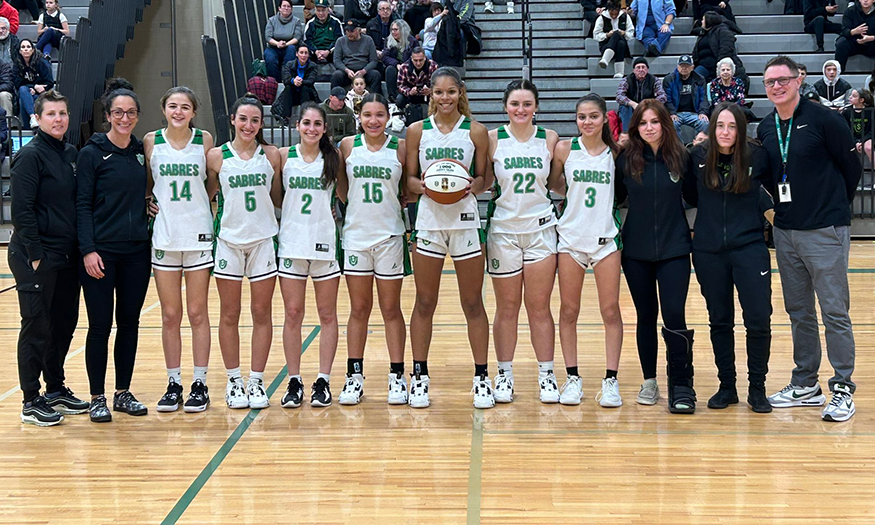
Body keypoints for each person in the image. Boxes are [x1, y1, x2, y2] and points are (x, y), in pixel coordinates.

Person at [756, 56, 861, 422]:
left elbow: (852, 169)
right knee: (799, 311)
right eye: (770, 82)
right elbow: (770, 176)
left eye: (783, 80)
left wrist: (831, 209)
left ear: (799, 80)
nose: (776, 87)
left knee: (834, 311)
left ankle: (843, 387)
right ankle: (806, 383)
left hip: (825, 230)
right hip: (786, 232)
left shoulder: (825, 120)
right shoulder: (768, 126)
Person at [405, 67, 494, 409]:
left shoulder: (476, 131)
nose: (445, 98)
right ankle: (420, 376)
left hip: (465, 221)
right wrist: (425, 187)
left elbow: (484, 178)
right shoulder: (417, 131)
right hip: (429, 221)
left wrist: (475, 185)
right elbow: (410, 182)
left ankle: (482, 377)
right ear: (430, 94)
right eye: (438, 92)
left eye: (451, 92)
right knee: (425, 302)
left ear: (461, 93)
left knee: (473, 303)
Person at [687, 102, 774, 413]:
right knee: (719, 320)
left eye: (732, 126)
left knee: (759, 320)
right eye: (720, 126)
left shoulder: (757, 156)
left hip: (749, 246)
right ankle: (727, 386)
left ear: (741, 128)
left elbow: (771, 190)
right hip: (709, 250)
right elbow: (690, 195)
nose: (725, 132)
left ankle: (758, 388)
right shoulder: (697, 156)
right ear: (712, 128)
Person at [615, 99, 696, 413]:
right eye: (643, 123)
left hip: (675, 248)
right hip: (636, 251)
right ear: (636, 128)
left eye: (654, 122)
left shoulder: (681, 158)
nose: (649, 128)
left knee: (675, 315)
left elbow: (693, 196)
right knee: (645, 316)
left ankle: (682, 384)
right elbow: (617, 199)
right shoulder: (626, 161)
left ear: (665, 123)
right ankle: (649, 381)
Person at [10, 90, 85, 426]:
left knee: (63, 324)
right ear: (37, 119)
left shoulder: (70, 153)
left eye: (63, 113)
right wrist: (37, 256)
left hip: (67, 253)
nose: (58, 119)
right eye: (51, 114)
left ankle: (55, 388)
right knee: (37, 326)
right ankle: (30, 399)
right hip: (35, 254)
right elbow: (21, 211)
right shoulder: (30, 156)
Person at [76, 86, 151, 423]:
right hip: (101, 254)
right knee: (100, 326)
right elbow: (82, 206)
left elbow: (148, 191)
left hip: (137, 253)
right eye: (118, 112)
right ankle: (97, 397)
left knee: (129, 324)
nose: (125, 118)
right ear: (107, 116)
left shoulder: (139, 151)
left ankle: (122, 392)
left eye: (131, 112)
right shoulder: (92, 153)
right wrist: (88, 250)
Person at [483, 80, 560, 405]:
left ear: (536, 108)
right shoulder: (491, 139)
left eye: (527, 104)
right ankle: (504, 374)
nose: (521, 109)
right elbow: (483, 183)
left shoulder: (550, 139)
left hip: (541, 230)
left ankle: (546, 375)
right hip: (503, 232)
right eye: (515, 103)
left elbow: (558, 184)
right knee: (507, 308)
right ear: (505, 107)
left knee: (539, 308)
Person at [548, 93, 624, 407]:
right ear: (576, 119)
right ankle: (572, 378)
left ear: (604, 118)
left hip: (606, 239)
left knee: (610, 311)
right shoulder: (565, 149)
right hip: (571, 239)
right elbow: (553, 184)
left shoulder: (617, 153)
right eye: (582, 117)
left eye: (593, 116)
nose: (587, 122)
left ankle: (611, 380)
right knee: (568, 311)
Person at [208, 94, 283, 410]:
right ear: (233, 120)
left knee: (261, 313)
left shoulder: (272, 155)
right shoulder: (215, 156)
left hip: (264, 239)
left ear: (261, 123)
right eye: (243, 119)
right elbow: (207, 195)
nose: (248, 125)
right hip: (228, 240)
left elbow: (278, 198)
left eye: (254, 120)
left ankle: (256, 381)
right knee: (229, 313)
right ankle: (234, 381)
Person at [144, 87, 216, 413]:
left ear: (193, 112)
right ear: (163, 108)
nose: (178, 111)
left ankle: (200, 382)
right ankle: (173, 382)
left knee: (198, 313)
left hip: (198, 234)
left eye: (185, 107)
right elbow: (148, 183)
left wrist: (206, 205)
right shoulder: (150, 141)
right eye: (172, 105)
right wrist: (147, 199)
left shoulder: (205, 140)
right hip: (166, 237)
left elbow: (211, 182)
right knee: (170, 315)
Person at [336, 94, 410, 405]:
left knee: (391, 309)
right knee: (359, 309)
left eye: (380, 115)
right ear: (359, 116)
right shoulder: (347, 146)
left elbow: (406, 189)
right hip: (356, 236)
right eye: (368, 114)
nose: (374, 121)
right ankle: (355, 376)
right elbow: (342, 188)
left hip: (390, 236)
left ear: (388, 118)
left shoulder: (400, 147)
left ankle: (397, 375)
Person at [277, 103, 343, 408]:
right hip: (291, 243)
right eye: (307, 123)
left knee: (327, 315)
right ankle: (294, 380)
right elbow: (277, 195)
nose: (312, 128)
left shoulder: (334, 158)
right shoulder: (283, 157)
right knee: (293, 314)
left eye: (318, 124)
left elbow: (344, 195)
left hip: (324, 243)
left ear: (325, 128)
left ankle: (323, 380)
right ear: (297, 125)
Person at [692, 12, 746, 86]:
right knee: (692, 79)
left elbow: (726, 49)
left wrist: (720, 66)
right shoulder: (703, 33)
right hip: (703, 65)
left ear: (709, 20)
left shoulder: (723, 31)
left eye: (703, 19)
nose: (701, 21)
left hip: (717, 65)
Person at [663, 54, 709, 138]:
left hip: (694, 113)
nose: (684, 68)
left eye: (687, 66)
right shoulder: (669, 79)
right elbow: (667, 99)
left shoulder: (700, 79)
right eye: (682, 65)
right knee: (672, 123)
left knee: (704, 122)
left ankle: (698, 147)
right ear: (677, 67)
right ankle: (679, 149)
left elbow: (703, 98)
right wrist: (672, 113)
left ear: (692, 67)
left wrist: (703, 112)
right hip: (676, 113)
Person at [616, 57, 667, 132]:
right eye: (638, 67)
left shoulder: (654, 80)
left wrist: (648, 104)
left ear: (647, 69)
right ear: (634, 70)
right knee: (624, 107)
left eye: (643, 67)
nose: (641, 70)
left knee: (659, 108)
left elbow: (663, 96)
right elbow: (619, 96)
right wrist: (633, 104)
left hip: (649, 107)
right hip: (632, 109)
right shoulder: (627, 79)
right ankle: (628, 135)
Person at [332, 19, 382, 95]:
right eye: (347, 31)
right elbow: (337, 60)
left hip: (364, 71)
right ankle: (334, 100)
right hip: (347, 72)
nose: (349, 33)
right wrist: (347, 70)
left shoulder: (368, 40)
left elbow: (373, 61)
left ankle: (375, 100)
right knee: (336, 75)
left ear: (359, 30)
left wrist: (364, 71)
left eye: (352, 31)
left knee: (375, 75)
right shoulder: (340, 41)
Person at [14, 38, 53, 129]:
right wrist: (33, 86)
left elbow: (50, 82)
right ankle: (33, 118)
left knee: (24, 100)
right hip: (26, 92)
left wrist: (36, 89)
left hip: (40, 94)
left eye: (28, 47)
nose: (26, 49)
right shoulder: (17, 64)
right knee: (23, 90)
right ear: (20, 51)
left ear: (32, 50)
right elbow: (18, 83)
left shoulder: (41, 62)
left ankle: (29, 127)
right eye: (23, 47)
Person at [264, 0, 305, 83]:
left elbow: (297, 37)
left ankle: (288, 79)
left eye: (288, 6)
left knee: (291, 51)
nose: (286, 8)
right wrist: (277, 43)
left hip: (290, 45)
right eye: (284, 6)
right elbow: (268, 37)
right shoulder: (272, 20)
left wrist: (286, 44)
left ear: (291, 9)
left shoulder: (296, 21)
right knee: (269, 57)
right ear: (279, 8)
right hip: (274, 46)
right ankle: (275, 82)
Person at [304, 0, 343, 81]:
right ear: (315, 11)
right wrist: (316, 51)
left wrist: (328, 50)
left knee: (340, 53)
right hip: (315, 52)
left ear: (328, 10)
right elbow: (307, 41)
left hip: (331, 51)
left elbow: (339, 40)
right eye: (318, 10)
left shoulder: (336, 22)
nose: (321, 13)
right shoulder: (310, 23)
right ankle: (308, 79)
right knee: (304, 54)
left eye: (323, 10)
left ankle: (339, 78)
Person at [594, 1, 635, 79]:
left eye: (616, 14)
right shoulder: (602, 18)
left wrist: (624, 33)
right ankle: (619, 71)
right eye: (612, 14)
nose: (614, 16)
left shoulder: (625, 17)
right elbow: (596, 35)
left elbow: (631, 33)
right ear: (608, 11)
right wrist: (607, 35)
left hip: (623, 48)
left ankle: (606, 59)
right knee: (619, 42)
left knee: (617, 35)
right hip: (605, 46)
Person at [278, 44, 319, 120]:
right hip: (293, 94)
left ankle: (305, 117)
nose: (303, 55)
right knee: (288, 87)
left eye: (306, 53)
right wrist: (293, 81)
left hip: (307, 95)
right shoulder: (289, 64)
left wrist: (300, 81)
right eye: (301, 52)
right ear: (297, 54)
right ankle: (285, 118)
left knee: (305, 88)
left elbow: (311, 81)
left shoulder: (313, 66)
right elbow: (286, 80)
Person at [382, 19, 419, 104]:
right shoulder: (389, 40)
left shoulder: (412, 41)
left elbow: (416, 56)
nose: (393, 32)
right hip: (395, 66)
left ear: (402, 30)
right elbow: (385, 57)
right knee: (390, 69)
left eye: (396, 30)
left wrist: (404, 65)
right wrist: (396, 64)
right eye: (392, 29)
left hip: (409, 66)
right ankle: (392, 96)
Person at [836, 0, 875, 72]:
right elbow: (844, 31)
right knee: (841, 43)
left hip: (871, 43)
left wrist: (871, 38)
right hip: (853, 42)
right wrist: (854, 31)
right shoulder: (850, 11)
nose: (865, 0)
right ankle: (839, 72)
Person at [396, 46, 436, 112]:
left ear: (425, 58)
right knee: (399, 99)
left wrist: (430, 91)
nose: (418, 63)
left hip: (427, 94)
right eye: (415, 60)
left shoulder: (433, 66)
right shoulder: (404, 67)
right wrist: (409, 91)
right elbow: (400, 85)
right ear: (411, 59)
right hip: (410, 94)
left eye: (421, 60)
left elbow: (438, 85)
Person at [842, 88, 874, 161]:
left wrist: (862, 141)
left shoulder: (870, 111)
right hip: (851, 137)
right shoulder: (846, 112)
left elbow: (872, 130)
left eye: (854, 96)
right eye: (850, 95)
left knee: (869, 147)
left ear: (861, 100)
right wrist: (855, 142)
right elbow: (846, 130)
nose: (850, 97)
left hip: (867, 137)